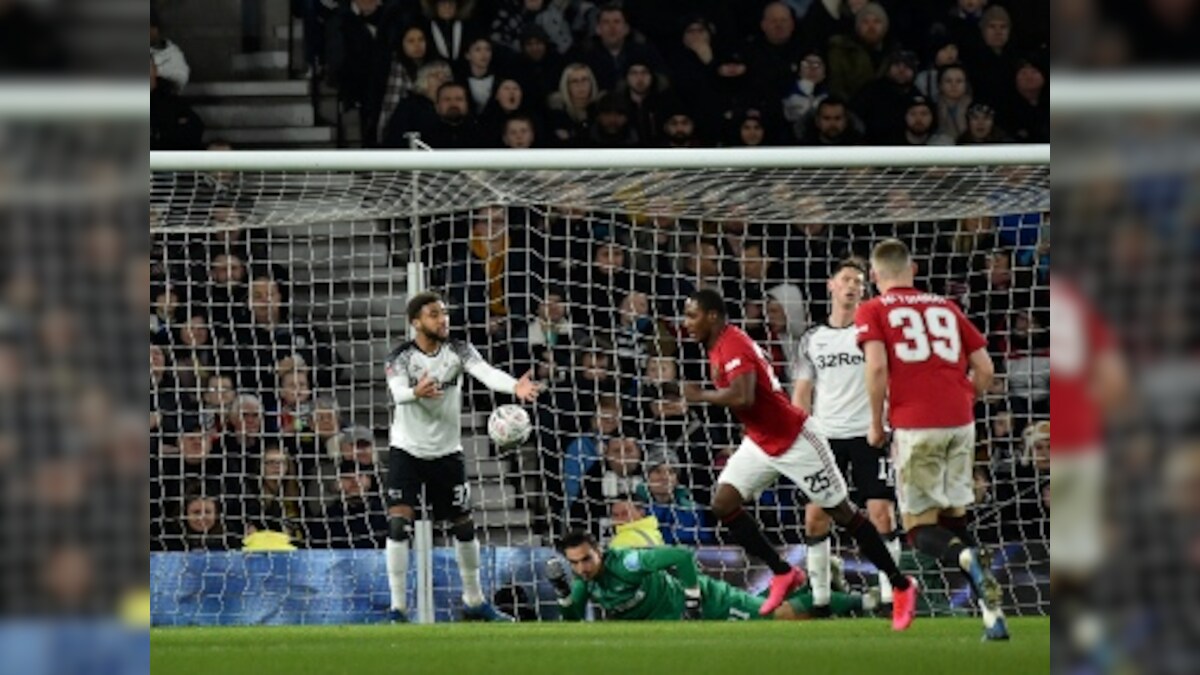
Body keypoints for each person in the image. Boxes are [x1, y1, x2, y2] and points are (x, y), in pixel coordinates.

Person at [681, 288, 916, 629]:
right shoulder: (716, 345)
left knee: (844, 514)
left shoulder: (733, 344)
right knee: (723, 503)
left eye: (692, 315)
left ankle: (900, 584)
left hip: (796, 441)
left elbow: (744, 398)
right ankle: (783, 572)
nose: (686, 323)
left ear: (713, 316)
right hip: (761, 443)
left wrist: (699, 394)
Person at [854, 238, 1008, 640]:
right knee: (956, 517)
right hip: (960, 422)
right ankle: (992, 615)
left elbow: (876, 369)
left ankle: (968, 558)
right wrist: (962, 399)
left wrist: (876, 423)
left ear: (873, 275)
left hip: (914, 425)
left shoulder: (871, 309)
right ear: (914, 269)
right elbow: (986, 369)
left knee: (919, 530)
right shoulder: (946, 306)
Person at [382, 291, 542, 622]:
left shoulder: (459, 349)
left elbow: (486, 372)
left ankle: (474, 601)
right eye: (433, 314)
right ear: (416, 322)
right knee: (398, 525)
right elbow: (397, 392)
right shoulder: (401, 357)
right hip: (407, 450)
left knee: (464, 526)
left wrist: (515, 387)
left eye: (444, 313)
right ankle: (398, 608)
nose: (442, 319)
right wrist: (415, 392)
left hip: (447, 452)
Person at [793, 259, 901, 616]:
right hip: (826, 438)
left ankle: (890, 598)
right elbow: (802, 393)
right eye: (846, 280)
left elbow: (890, 378)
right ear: (831, 285)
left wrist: (887, 424)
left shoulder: (873, 332)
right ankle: (821, 601)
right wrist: (800, 437)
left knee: (881, 514)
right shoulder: (812, 338)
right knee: (815, 517)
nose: (853, 285)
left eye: (858, 281)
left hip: (869, 433)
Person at [546, 530, 874, 621]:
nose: (582, 567)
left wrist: (691, 600)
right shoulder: (584, 581)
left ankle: (865, 599)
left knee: (780, 618)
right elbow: (573, 617)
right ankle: (822, 581)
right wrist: (562, 591)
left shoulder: (628, 563)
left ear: (598, 551)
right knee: (759, 606)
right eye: (574, 563)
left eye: (586, 559)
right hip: (681, 618)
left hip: (708, 603)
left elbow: (681, 556)